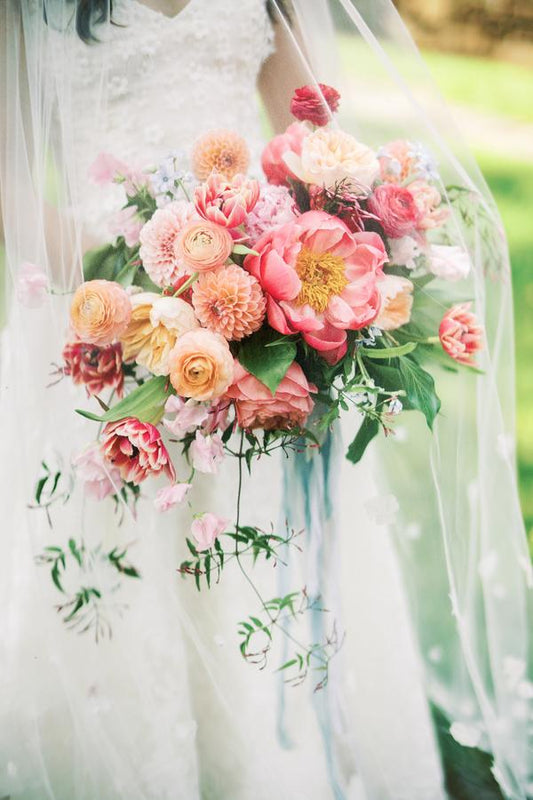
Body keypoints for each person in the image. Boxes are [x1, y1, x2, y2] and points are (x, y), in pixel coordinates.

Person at [0, 2, 531, 799]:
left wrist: (311, 258)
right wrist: (129, 284)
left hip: (254, 290)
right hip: (101, 306)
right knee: (116, 559)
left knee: (248, 543)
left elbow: (314, 140)